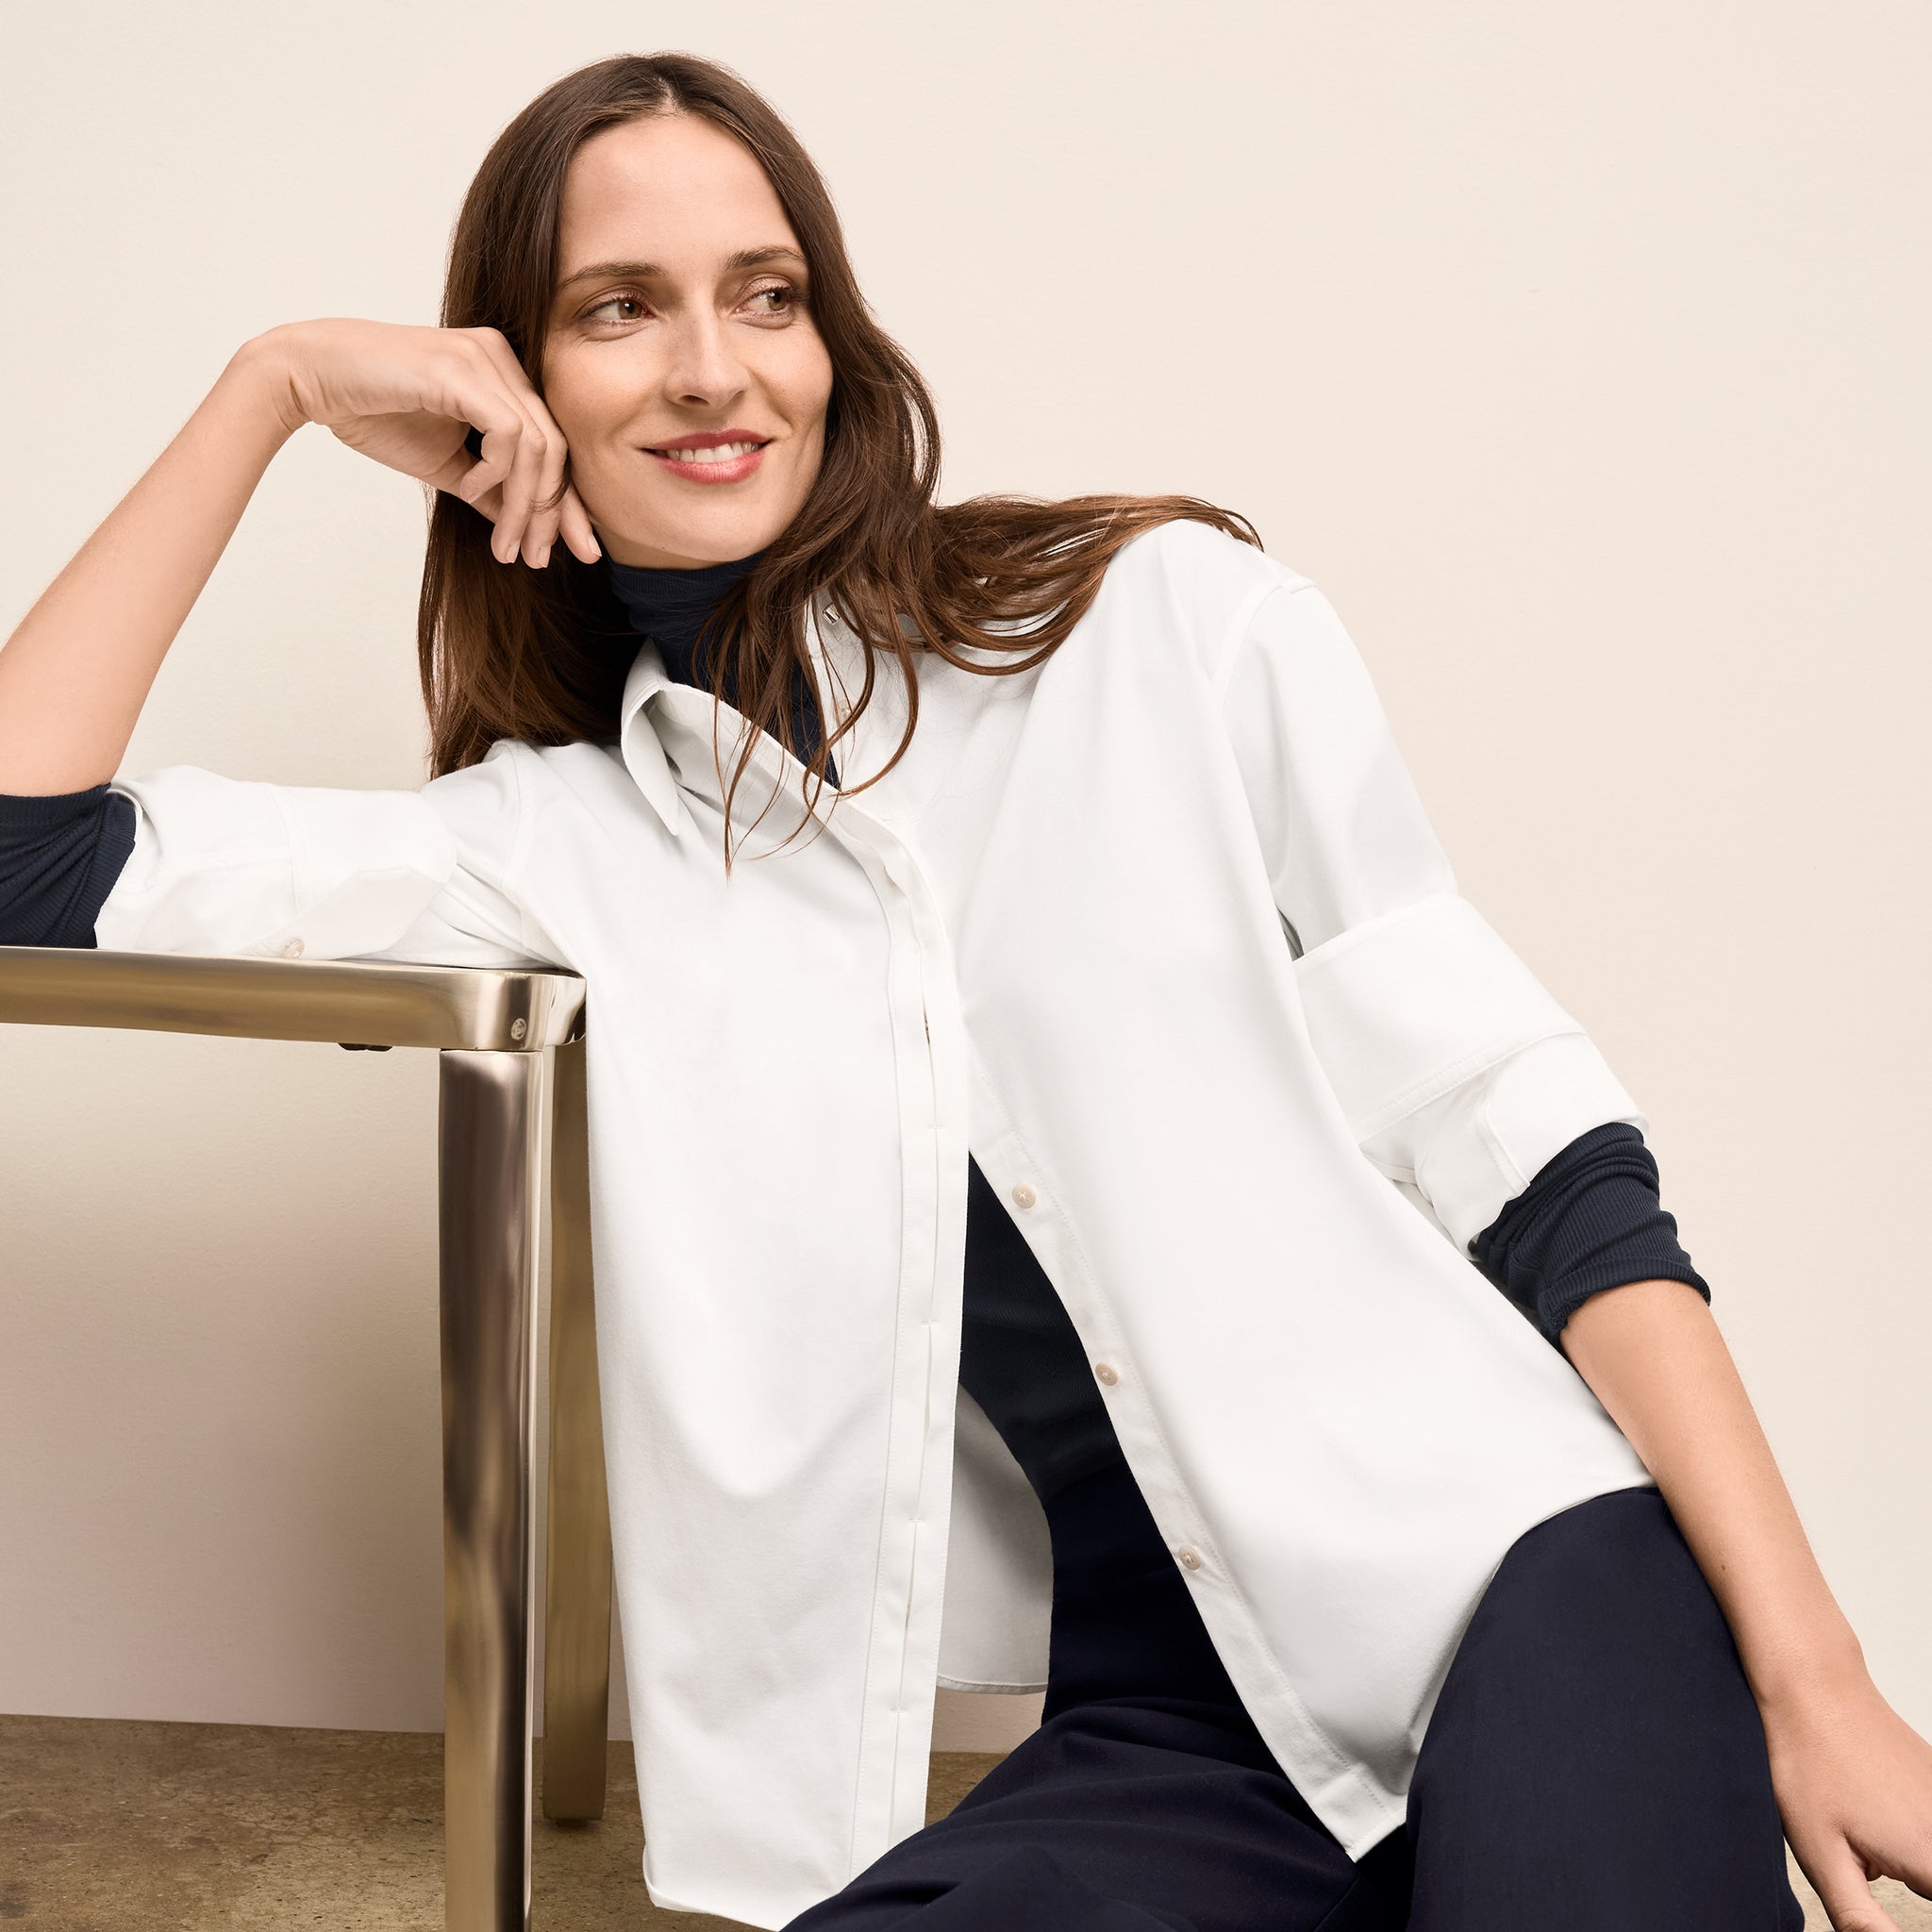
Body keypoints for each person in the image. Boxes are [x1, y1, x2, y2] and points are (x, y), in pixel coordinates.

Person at [1, 49, 1926, 1932]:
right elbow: (28, 868)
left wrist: (1816, 1682)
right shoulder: (558, 845)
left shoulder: (1160, 630)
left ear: (833, 343)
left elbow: (1539, 1164)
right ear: (511, 381)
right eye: (618, 307)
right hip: (1170, 1744)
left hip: (1515, 1584)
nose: (709, 368)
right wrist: (273, 385)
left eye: (766, 295)